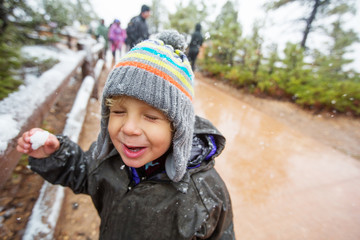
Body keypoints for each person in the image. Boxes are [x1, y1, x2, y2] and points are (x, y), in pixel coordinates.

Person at [16, 30, 235, 239]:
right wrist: (56, 155)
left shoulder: (204, 194)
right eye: (118, 112)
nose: (129, 128)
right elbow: (85, 174)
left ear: (178, 127)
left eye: (150, 117)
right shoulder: (109, 158)